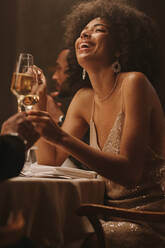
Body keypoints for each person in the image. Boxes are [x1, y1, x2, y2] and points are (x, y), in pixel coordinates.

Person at [27, 0, 165, 246]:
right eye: (83, 30)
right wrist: (38, 106)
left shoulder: (134, 83)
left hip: (147, 219)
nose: (85, 33)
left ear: (120, 48)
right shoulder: (83, 98)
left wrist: (59, 136)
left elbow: (129, 173)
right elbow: (50, 160)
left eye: (99, 28)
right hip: (104, 216)